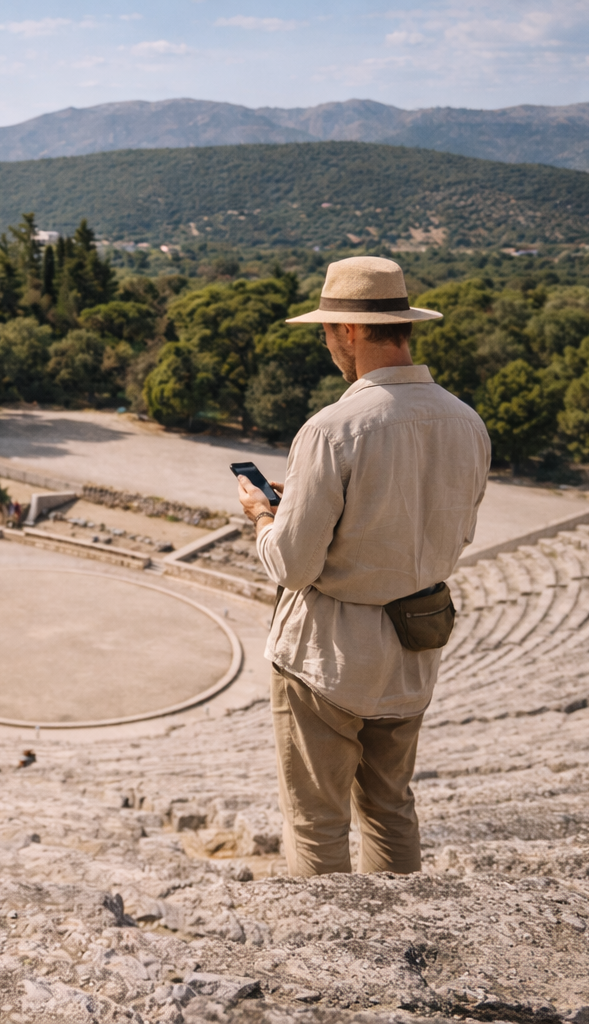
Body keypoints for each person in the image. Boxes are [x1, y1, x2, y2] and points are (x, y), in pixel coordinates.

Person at [235, 256, 490, 878]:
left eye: (326, 331)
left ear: (348, 332)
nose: (326, 343)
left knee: (317, 818)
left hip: (327, 655)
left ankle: (325, 950)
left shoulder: (331, 430)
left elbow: (292, 567)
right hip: (413, 647)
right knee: (391, 808)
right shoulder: (468, 422)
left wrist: (265, 518)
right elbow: (449, 531)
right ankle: (400, 933)